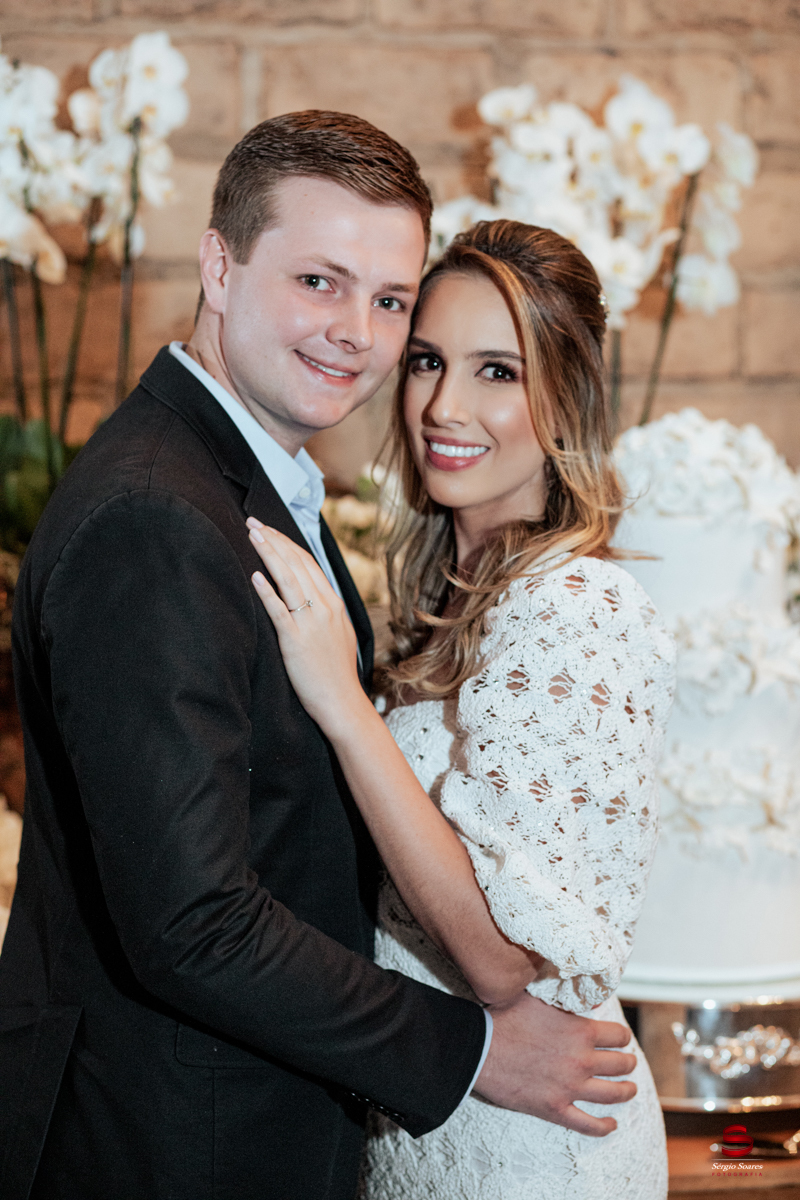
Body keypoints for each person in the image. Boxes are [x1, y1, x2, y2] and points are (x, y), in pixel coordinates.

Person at [0, 116, 637, 1200]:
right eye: (318, 282)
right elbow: (192, 922)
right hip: (177, 1145)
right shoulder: (157, 518)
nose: (357, 334)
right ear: (219, 266)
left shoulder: (245, 482)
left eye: (389, 302)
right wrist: (471, 1052)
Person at [246, 219, 676, 1199]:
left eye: (497, 372)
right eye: (429, 361)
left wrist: (344, 706)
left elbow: (499, 959)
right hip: (439, 1113)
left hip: (536, 1146)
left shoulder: (573, 606)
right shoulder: (461, 594)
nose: (444, 405)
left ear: (563, 399)